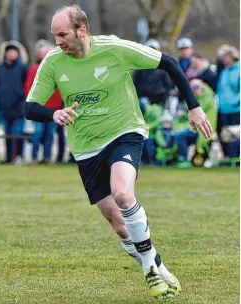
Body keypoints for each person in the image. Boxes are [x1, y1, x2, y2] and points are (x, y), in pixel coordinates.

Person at [24, 5, 212, 299]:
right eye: (54, 35)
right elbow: (30, 107)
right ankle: (159, 269)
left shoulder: (113, 49)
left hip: (125, 131)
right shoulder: (53, 62)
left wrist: (194, 107)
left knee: (123, 194)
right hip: (86, 147)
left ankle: (149, 267)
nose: (58, 41)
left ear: (81, 30)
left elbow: (170, 63)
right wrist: (54, 114)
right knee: (120, 227)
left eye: (62, 34)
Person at [24, 40, 63, 165]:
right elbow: (29, 87)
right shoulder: (35, 69)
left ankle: (47, 157)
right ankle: (34, 157)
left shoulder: (58, 68)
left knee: (49, 135)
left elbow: (60, 89)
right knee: (38, 133)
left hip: (53, 108)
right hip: (39, 108)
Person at [0, 41, 28, 164]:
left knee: (17, 133)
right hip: (4, 107)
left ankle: (18, 156)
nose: (11, 54)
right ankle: (8, 156)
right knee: (7, 134)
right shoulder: (0, 68)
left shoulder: (22, 68)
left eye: (14, 51)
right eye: (9, 51)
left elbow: (27, 85)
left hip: (18, 107)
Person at [175, 79, 218, 168]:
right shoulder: (195, 98)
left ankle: (183, 159)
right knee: (177, 134)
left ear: (202, 86)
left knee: (181, 136)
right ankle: (181, 159)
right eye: (191, 88)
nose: (194, 90)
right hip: (196, 128)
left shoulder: (208, 99)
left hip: (203, 129)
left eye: (196, 87)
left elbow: (200, 116)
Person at [216, 45, 240, 159]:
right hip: (224, 109)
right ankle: (231, 158)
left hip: (236, 108)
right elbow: (220, 89)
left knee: (237, 134)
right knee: (226, 135)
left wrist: (236, 101)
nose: (223, 60)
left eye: (224, 58)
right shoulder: (224, 71)